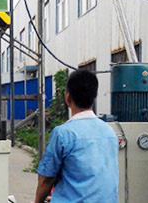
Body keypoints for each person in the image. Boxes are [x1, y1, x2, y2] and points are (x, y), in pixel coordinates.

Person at [32, 70, 118, 203]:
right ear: (95, 96)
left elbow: (47, 179)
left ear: (68, 98)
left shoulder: (63, 134)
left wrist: (38, 201)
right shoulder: (109, 132)